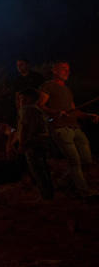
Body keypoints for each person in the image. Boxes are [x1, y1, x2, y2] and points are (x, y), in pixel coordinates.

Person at [39, 61, 97, 197]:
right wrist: (56, 112)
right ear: (54, 70)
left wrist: (88, 115)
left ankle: (65, 183)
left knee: (86, 160)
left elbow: (74, 111)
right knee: (74, 161)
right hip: (60, 128)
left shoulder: (67, 90)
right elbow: (40, 105)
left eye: (68, 70)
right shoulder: (48, 86)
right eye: (64, 69)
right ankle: (84, 191)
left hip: (75, 127)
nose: (67, 72)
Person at [16, 87, 54, 199]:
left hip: (32, 143)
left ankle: (46, 195)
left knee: (37, 170)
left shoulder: (26, 109)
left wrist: (22, 144)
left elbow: (25, 128)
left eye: (22, 99)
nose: (20, 101)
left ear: (29, 99)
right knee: (43, 168)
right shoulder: (38, 110)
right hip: (42, 142)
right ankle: (49, 193)